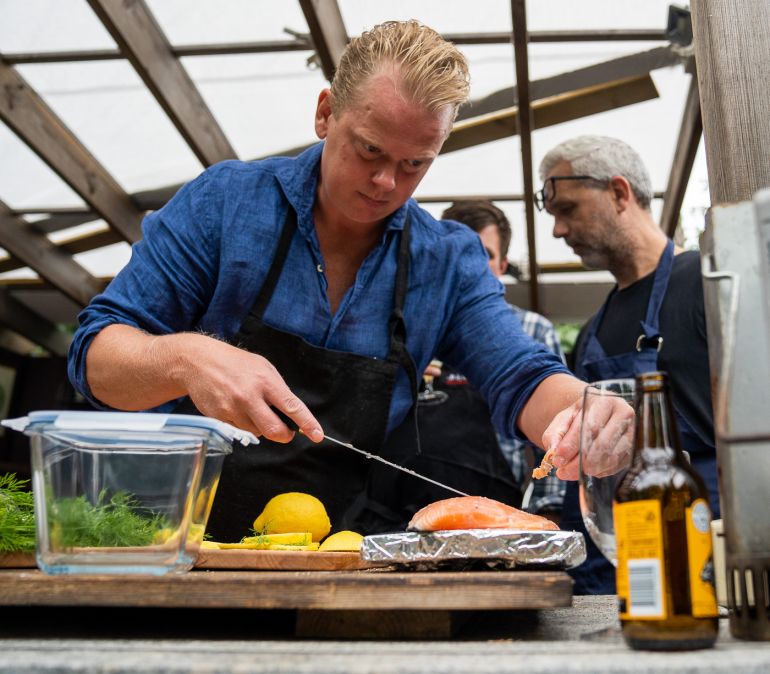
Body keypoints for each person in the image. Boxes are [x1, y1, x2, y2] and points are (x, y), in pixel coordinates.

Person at [66, 20, 609, 543]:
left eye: (415, 163)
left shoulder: (445, 260)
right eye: (369, 149)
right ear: (326, 113)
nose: (385, 182)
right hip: (173, 541)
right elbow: (94, 358)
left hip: (336, 556)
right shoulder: (225, 205)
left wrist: (581, 413)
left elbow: (520, 373)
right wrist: (187, 359)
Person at [537, 134, 718, 594]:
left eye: (567, 210)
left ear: (619, 192)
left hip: (701, 556)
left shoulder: (704, 282)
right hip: (609, 562)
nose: (558, 231)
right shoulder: (595, 326)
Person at [440, 200, 567, 518]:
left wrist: (546, 513)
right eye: (457, 253)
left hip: (500, 518)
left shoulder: (532, 329)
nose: (468, 265)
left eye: (484, 254)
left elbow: (555, 438)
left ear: (503, 264)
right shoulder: (409, 329)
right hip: (407, 515)